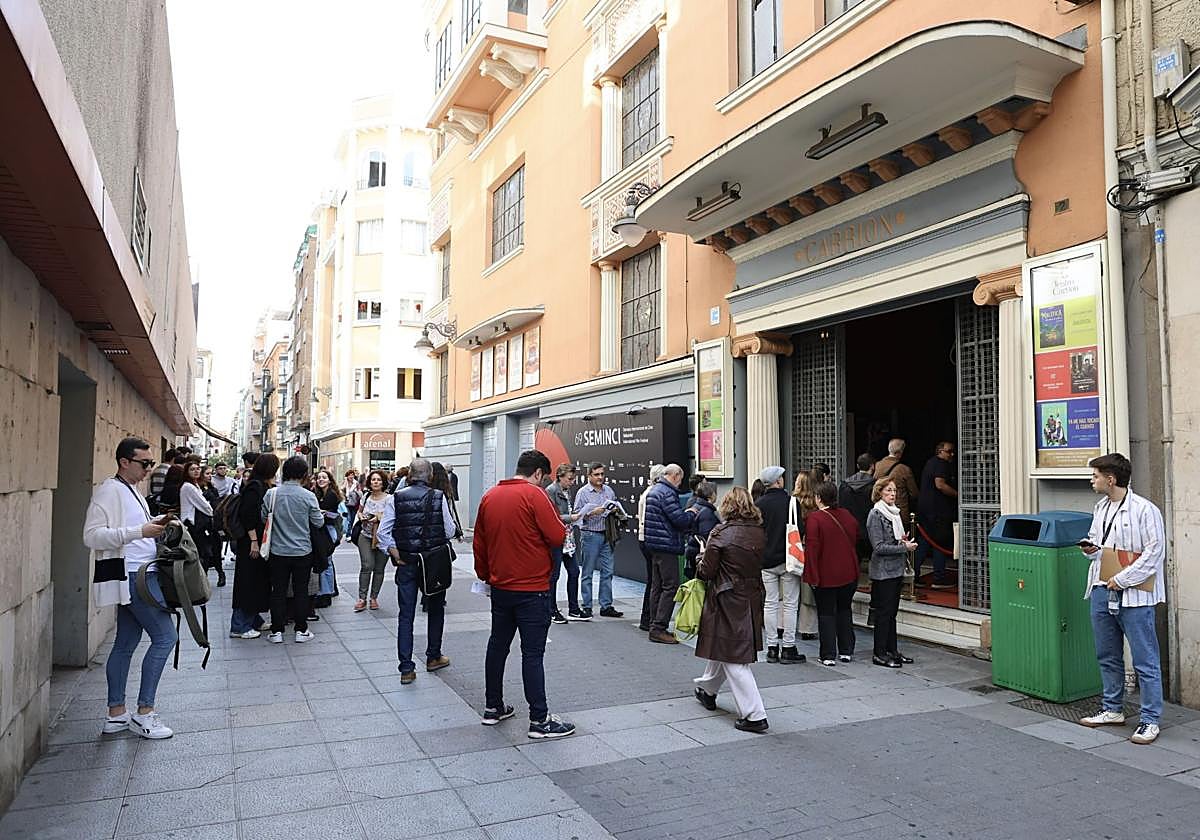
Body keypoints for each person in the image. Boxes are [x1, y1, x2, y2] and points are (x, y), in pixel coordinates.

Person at [474, 449, 575, 738]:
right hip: (532, 588)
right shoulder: (535, 495)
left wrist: (486, 576)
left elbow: (479, 543)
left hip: (501, 587)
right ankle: (539, 720)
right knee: (532, 653)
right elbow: (557, 535)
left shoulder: (490, 496)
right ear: (539, 473)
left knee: (497, 646)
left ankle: (493, 707)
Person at [84, 438, 176, 740]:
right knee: (165, 638)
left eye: (151, 463)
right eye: (144, 463)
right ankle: (145, 713)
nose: (149, 469)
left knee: (125, 642)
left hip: (138, 574)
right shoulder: (109, 490)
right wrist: (140, 531)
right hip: (135, 577)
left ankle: (116, 714)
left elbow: (135, 529)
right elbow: (92, 536)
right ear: (125, 462)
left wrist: (155, 524)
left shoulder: (131, 489)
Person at [1077, 453, 1166, 745]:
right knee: (1107, 654)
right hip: (1101, 589)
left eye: (1095, 476)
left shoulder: (1145, 510)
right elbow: (1098, 542)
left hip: (1135, 595)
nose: (1092, 481)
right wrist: (1090, 550)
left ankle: (1150, 719)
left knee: (1145, 659)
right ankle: (1112, 709)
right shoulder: (1100, 507)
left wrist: (1123, 579)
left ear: (1111, 479)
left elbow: (1154, 553)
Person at [692, 486, 769, 734]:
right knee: (725, 647)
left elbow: (707, 571)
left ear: (727, 506)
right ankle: (707, 690)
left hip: (726, 598)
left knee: (734, 656)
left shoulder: (720, 533)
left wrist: (700, 556)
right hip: (752, 595)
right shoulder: (758, 532)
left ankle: (755, 714)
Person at [377, 458, 456, 685]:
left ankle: (406, 668)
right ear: (430, 475)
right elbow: (449, 531)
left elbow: (383, 533)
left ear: (410, 475)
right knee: (436, 610)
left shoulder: (396, 498)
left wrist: (395, 553)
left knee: (406, 615)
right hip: (433, 563)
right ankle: (433, 656)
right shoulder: (438, 496)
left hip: (407, 562)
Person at [264, 457, 325, 644]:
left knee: (278, 591)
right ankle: (301, 630)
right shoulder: (308, 496)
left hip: (277, 551)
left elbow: (264, 518)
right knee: (301, 591)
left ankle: (276, 631)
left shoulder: (271, 494)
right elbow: (318, 522)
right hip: (302, 551)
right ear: (304, 474)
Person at [804, 481, 862, 666]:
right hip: (849, 571)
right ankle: (846, 650)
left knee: (826, 613)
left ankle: (828, 654)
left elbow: (812, 549)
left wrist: (811, 576)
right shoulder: (847, 515)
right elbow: (856, 537)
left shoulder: (815, 518)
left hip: (826, 573)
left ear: (819, 498)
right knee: (845, 610)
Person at [643, 464, 697, 644]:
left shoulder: (654, 490)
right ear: (674, 476)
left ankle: (654, 625)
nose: (680, 483)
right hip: (666, 545)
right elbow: (679, 520)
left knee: (657, 586)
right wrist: (690, 514)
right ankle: (659, 628)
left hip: (654, 544)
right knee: (670, 586)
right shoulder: (667, 493)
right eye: (680, 479)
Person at [755, 466, 805, 664]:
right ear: (778, 481)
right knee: (790, 604)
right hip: (788, 558)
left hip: (766, 560)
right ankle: (788, 647)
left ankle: (772, 647)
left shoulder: (759, 504)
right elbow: (800, 529)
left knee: (770, 603)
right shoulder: (791, 502)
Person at [867, 477, 917, 668]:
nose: (892, 494)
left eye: (894, 490)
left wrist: (902, 541)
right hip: (883, 571)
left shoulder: (895, 513)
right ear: (879, 492)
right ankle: (879, 653)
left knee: (892, 613)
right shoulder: (876, 514)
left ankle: (892, 650)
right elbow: (879, 547)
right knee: (883, 613)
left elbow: (893, 540)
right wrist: (904, 548)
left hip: (896, 569)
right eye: (888, 490)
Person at [230, 453, 279, 640]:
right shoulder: (255, 487)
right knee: (248, 582)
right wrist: (254, 542)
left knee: (257, 580)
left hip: (257, 540)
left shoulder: (260, 484)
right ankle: (239, 625)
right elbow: (248, 515)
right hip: (251, 542)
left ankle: (253, 619)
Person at [572, 462, 622, 619]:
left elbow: (615, 507)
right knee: (588, 572)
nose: (600, 477)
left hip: (607, 534)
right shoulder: (583, 493)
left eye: (602, 474)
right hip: (590, 535)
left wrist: (615, 510)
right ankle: (587, 606)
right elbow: (576, 516)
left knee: (608, 571)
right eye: (596, 474)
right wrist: (591, 512)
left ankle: (606, 606)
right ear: (589, 476)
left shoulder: (609, 490)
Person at [916, 441, 957, 589]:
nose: (952, 454)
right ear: (940, 451)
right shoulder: (941, 464)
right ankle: (939, 577)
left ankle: (914, 575)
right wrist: (957, 495)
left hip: (926, 510)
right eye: (949, 451)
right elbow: (940, 484)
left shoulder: (930, 462)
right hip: (938, 511)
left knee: (924, 542)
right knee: (940, 542)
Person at [545, 463, 582, 623]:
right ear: (560, 477)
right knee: (554, 575)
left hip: (568, 538)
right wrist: (570, 518)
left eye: (573, 479)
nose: (572, 482)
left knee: (574, 572)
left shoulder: (567, 490)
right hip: (557, 538)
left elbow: (567, 510)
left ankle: (574, 609)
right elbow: (550, 516)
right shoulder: (551, 491)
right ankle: (551, 610)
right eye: (569, 479)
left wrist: (577, 515)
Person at [352, 469, 391, 611]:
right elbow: (359, 511)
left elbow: (392, 516)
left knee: (379, 568)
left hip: (383, 538)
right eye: (373, 479)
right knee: (367, 565)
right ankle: (362, 598)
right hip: (366, 535)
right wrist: (361, 516)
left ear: (383, 483)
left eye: (379, 480)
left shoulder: (389, 499)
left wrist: (378, 518)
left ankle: (374, 597)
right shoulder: (366, 496)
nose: (376, 482)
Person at [635, 464, 667, 630]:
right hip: (650, 540)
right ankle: (649, 618)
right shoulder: (653, 494)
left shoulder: (648, 493)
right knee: (655, 581)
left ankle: (647, 618)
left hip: (645, 539)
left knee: (653, 581)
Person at [792, 471, 819, 643]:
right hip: (809, 548)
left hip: (793, 547)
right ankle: (807, 628)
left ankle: (783, 624)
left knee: (789, 588)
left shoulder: (791, 502)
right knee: (808, 592)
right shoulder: (815, 505)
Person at [838, 453, 876, 560]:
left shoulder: (844, 485)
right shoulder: (875, 486)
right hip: (869, 529)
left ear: (858, 466)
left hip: (849, 529)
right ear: (872, 466)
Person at [872, 438, 919, 524]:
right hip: (899, 513)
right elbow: (914, 493)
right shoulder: (904, 469)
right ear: (900, 453)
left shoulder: (877, 465)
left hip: (881, 510)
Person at [684, 480, 719, 579]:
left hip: (692, 549)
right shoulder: (707, 512)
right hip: (700, 552)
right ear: (711, 495)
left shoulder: (696, 506)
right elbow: (706, 536)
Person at [343, 469, 362, 541]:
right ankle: (348, 535)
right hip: (346, 503)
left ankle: (349, 533)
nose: (351, 476)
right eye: (349, 475)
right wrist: (345, 482)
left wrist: (356, 492)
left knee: (352, 519)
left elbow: (360, 493)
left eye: (352, 475)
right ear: (347, 476)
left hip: (354, 504)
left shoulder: (356, 483)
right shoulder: (345, 483)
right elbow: (341, 489)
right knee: (349, 519)